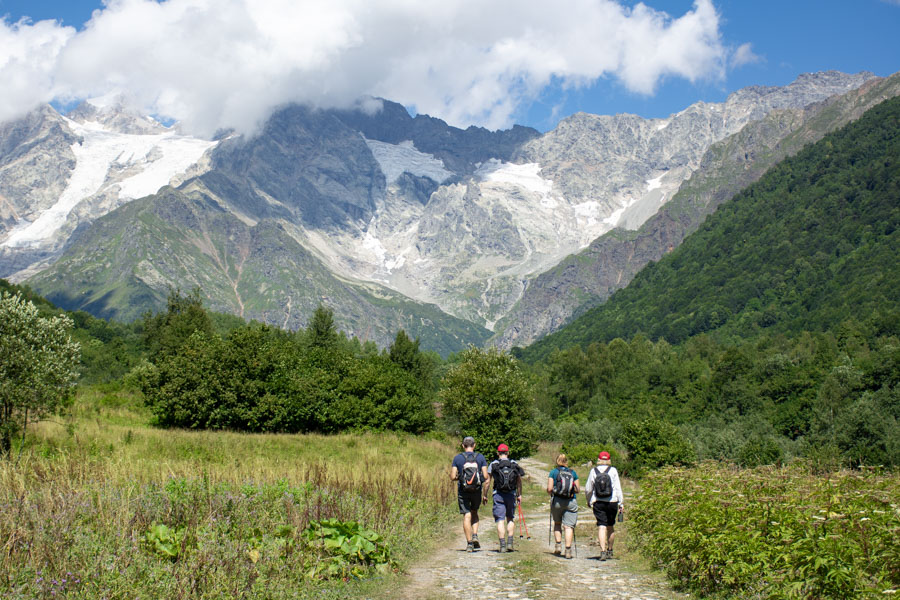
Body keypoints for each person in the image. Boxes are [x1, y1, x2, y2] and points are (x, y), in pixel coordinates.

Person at [450, 436, 489, 552]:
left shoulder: (457, 458)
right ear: (474, 445)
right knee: (474, 512)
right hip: (476, 489)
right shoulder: (480, 457)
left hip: (463, 490)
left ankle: (469, 543)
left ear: (463, 445)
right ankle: (475, 534)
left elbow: (452, 476)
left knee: (467, 515)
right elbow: (485, 476)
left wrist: (461, 478)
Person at [486, 443, 526, 553]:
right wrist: (519, 494)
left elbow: (487, 481)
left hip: (498, 494)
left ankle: (502, 545)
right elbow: (519, 481)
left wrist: (485, 494)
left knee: (500, 520)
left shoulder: (493, 464)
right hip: (511, 494)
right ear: (508, 453)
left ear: (498, 453)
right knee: (510, 518)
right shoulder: (514, 464)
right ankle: (510, 543)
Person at [584, 450, 624, 560]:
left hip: (598, 501)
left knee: (601, 526)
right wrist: (621, 503)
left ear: (599, 459)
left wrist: (589, 500)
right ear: (609, 460)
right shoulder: (613, 470)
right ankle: (610, 550)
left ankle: (602, 551)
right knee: (610, 526)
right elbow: (618, 488)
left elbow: (588, 489)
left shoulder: (594, 471)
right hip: (612, 501)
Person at [547, 453, 579, 559]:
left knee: (557, 523)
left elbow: (549, 489)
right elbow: (578, 489)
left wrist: (554, 492)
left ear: (557, 461)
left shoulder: (553, 472)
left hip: (557, 501)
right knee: (568, 526)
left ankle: (558, 545)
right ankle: (568, 550)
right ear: (566, 461)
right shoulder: (573, 473)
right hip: (571, 501)